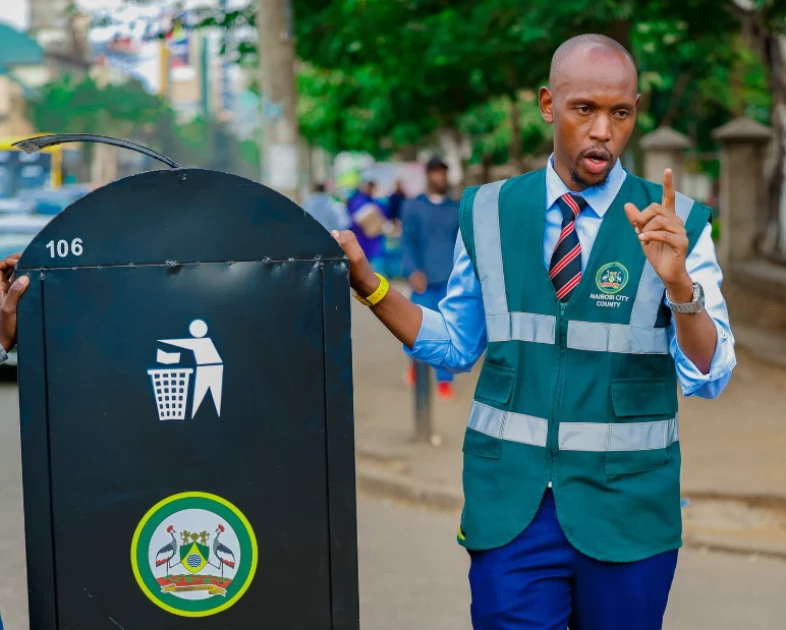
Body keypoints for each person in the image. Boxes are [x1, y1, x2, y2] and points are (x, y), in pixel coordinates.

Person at [334, 34, 735, 630]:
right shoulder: (487, 211)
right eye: (584, 109)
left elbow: (709, 374)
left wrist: (680, 287)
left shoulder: (677, 224)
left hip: (629, 513)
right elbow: (455, 342)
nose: (602, 131)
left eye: (620, 113)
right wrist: (370, 285)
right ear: (549, 105)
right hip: (512, 510)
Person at [401, 156, 460, 399]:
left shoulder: (455, 208)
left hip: (449, 280)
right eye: (436, 172)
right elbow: (407, 241)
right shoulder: (413, 206)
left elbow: (462, 244)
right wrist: (412, 270)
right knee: (417, 329)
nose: (441, 177)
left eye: (444, 172)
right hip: (422, 280)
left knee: (449, 332)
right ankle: (416, 368)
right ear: (428, 175)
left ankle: (444, 380)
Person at [346, 178, 393, 274]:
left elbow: (384, 218)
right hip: (361, 244)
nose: (370, 188)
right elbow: (353, 222)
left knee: (377, 274)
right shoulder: (357, 201)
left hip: (376, 244)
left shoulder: (376, 202)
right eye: (369, 186)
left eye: (372, 186)